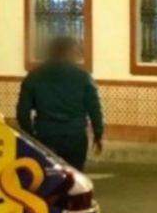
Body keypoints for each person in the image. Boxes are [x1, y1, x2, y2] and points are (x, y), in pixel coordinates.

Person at [16, 36, 105, 171]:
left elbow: (22, 111)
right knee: (74, 176)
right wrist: (98, 133)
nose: (78, 54)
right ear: (69, 52)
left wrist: (30, 136)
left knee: (48, 175)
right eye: (76, 50)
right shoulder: (82, 77)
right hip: (75, 137)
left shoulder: (34, 76)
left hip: (45, 135)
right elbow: (94, 108)